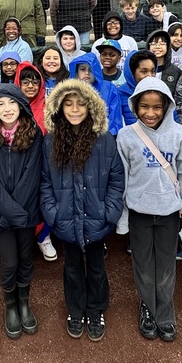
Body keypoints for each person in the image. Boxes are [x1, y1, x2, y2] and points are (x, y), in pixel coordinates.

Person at [41, 79, 125, 340]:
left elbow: (116, 178)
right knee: (72, 267)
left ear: (91, 107)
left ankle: (96, 308)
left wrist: (109, 212)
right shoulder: (51, 140)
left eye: (80, 104)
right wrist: (52, 213)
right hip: (65, 218)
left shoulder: (104, 139)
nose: (75, 109)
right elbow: (45, 181)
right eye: (68, 104)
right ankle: (75, 309)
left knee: (98, 267)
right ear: (59, 107)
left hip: (97, 217)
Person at [117, 77, 182, 342]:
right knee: (142, 264)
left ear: (167, 106)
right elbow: (123, 179)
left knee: (165, 266)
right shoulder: (126, 136)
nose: (150, 113)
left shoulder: (178, 134)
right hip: (140, 212)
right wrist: (123, 219)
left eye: (156, 107)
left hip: (168, 213)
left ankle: (164, 311)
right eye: (143, 106)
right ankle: (147, 306)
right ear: (134, 106)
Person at [0, 84, 44, 338]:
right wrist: (11, 211)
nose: (7, 109)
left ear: (21, 106)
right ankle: (11, 306)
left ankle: (24, 302)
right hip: (2, 213)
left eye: (12, 103)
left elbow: (31, 174)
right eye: (1, 104)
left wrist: (19, 211)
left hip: (26, 211)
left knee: (26, 260)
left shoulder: (34, 135)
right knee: (10, 261)